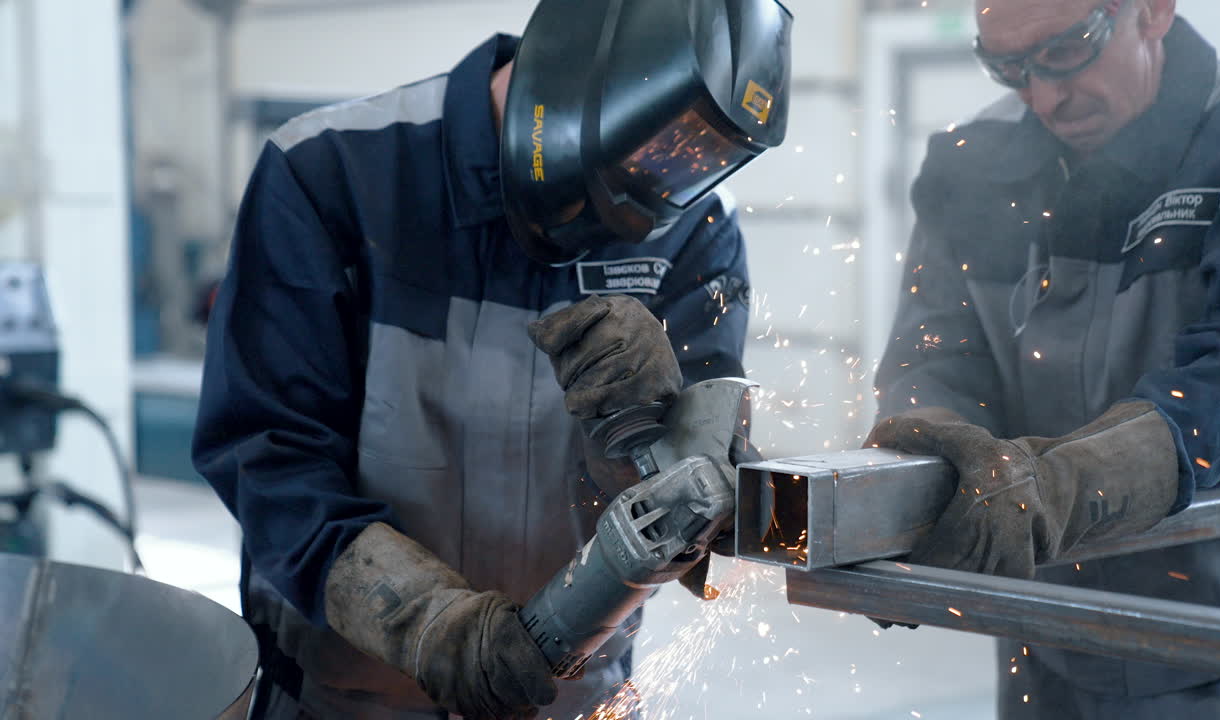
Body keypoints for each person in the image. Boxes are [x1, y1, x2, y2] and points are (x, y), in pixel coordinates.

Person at [192, 0, 793, 717]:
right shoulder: (333, 174)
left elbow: (700, 499)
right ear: (583, 67)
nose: (644, 204)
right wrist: (429, 627)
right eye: (645, 150)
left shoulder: (694, 235)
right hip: (345, 701)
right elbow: (269, 458)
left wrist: (651, 437)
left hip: (573, 700)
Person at [867, 0, 1220, 717]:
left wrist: (1069, 483)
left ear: (1152, 11)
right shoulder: (972, 160)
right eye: (1011, 68)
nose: (1044, 97)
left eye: (1066, 51)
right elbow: (934, 352)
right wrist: (928, 460)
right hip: (1036, 628)